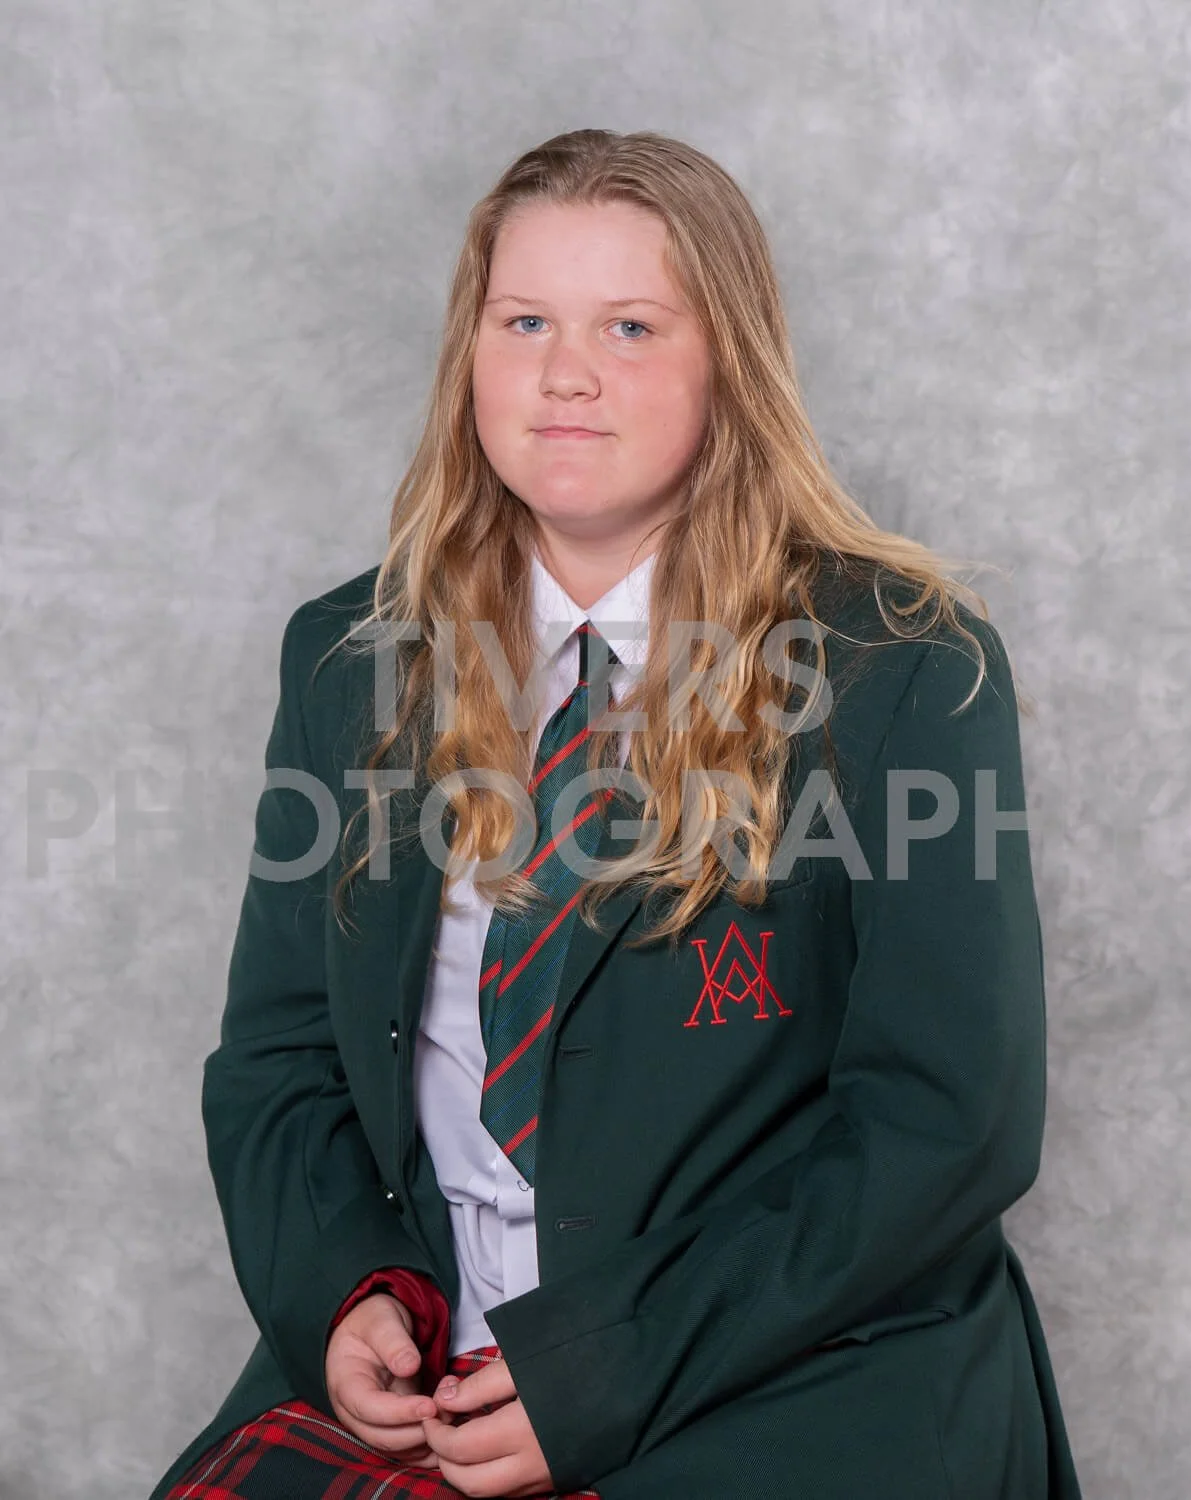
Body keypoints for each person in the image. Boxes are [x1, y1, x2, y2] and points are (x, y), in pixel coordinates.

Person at [149, 127, 1081, 1500]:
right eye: (524, 321)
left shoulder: (902, 669)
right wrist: (345, 1291)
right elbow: (279, 1058)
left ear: (730, 365)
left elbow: (950, 1124)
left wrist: (602, 1367)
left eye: (631, 327)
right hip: (442, 1366)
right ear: (471, 355)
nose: (565, 373)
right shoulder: (353, 662)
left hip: (778, 1369)